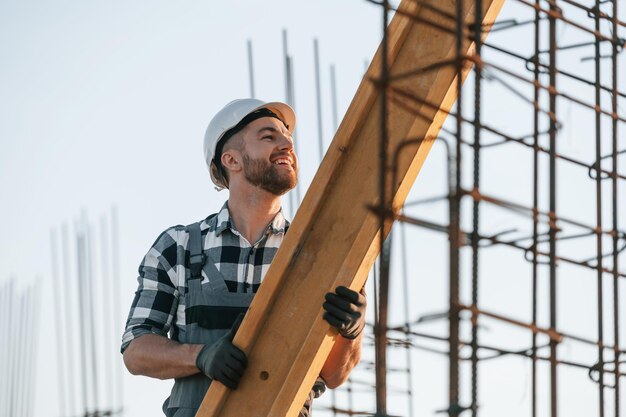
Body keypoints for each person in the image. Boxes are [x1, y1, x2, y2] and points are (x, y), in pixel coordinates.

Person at [121, 99, 366, 417]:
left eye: (287, 137)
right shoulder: (177, 247)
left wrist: (350, 332)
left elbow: (334, 375)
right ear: (231, 159)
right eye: (269, 136)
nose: (287, 143)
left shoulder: (323, 256)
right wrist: (202, 356)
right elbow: (136, 351)